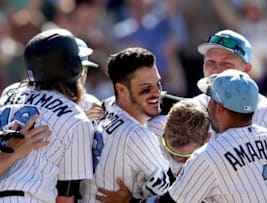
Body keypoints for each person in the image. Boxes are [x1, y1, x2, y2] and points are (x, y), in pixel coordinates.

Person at [103, 69, 267, 203]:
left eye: (210, 99)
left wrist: (129, 201)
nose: (206, 104)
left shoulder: (209, 155)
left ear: (219, 107)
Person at [0, 28, 94, 202]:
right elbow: (65, 198)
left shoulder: (8, 94)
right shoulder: (76, 118)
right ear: (75, 69)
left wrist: (10, 154)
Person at [80, 47, 172, 202]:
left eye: (158, 84)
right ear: (121, 89)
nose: (157, 93)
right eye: (146, 88)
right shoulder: (138, 136)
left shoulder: (106, 105)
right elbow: (165, 197)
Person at [194, 29, 267, 147]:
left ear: (247, 69)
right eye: (211, 62)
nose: (216, 70)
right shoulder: (192, 108)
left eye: (226, 64)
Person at [75, 37, 101, 112]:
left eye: (84, 69)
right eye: (76, 70)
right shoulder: (41, 102)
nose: (82, 75)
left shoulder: (91, 103)